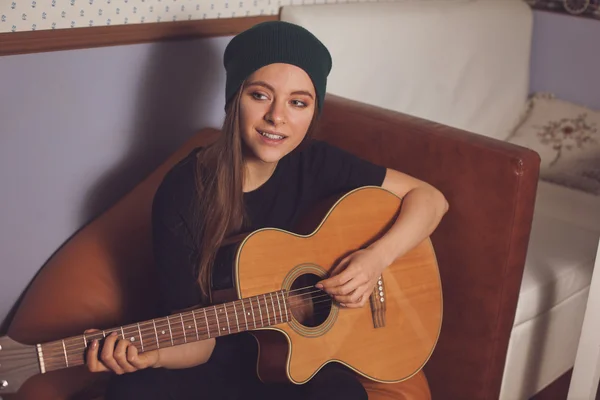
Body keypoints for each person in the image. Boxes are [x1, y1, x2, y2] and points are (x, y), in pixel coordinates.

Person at [84, 20, 448, 400]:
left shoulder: (315, 163)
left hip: (291, 360)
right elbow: (199, 341)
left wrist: (374, 259)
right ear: (233, 99)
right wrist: (151, 353)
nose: (278, 117)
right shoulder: (182, 193)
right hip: (213, 355)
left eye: (298, 102)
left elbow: (431, 199)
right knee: (132, 389)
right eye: (260, 95)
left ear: (312, 112)